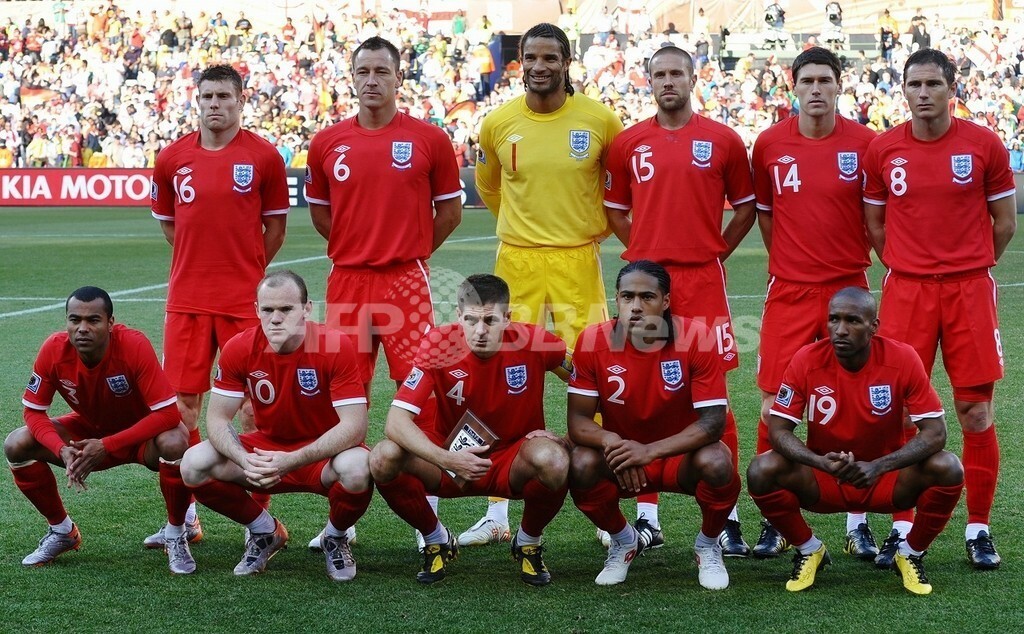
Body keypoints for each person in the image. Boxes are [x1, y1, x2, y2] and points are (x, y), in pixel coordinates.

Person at [305, 36, 462, 550]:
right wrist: (358, 248)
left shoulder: (428, 139)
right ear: (352, 78)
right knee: (342, 391)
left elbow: (450, 213)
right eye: (363, 71)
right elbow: (322, 214)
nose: (371, 79)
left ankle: (429, 512)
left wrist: (409, 250)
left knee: (420, 389)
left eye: (381, 71)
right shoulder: (327, 142)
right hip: (347, 280)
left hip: (404, 281)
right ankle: (339, 523)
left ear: (399, 78)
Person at [863, 48, 1017, 570]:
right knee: (900, 411)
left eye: (933, 83)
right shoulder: (884, 149)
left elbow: (1004, 222)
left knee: (974, 409)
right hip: (907, 291)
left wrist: (969, 268)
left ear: (952, 88)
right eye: (914, 84)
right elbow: (877, 226)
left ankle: (979, 529)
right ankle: (901, 529)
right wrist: (909, 268)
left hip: (968, 290)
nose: (923, 93)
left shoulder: (983, 144)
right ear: (902, 90)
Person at [472, 21, 622, 546]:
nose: (539, 66)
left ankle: (608, 505)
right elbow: (489, 187)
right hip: (517, 262)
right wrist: (526, 229)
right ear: (522, 63)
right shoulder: (497, 123)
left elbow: (617, 185)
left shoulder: (600, 119)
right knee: (500, 375)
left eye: (550, 58)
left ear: (566, 64)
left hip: (579, 260)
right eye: (530, 58)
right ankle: (495, 510)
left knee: (595, 371)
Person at [603, 45, 756, 557]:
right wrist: (645, 252)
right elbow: (616, 212)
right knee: (638, 394)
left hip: (702, 281)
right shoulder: (628, 143)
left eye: (677, 73)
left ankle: (726, 515)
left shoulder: (724, 140)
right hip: (644, 284)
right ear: (648, 81)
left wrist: (713, 251)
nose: (668, 81)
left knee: (717, 398)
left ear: (694, 78)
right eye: (660, 74)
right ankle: (647, 516)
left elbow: (745, 210)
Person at [751, 47, 885, 562]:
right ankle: (775, 516)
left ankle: (858, 518)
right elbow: (768, 216)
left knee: (860, 404)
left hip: (849, 285)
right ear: (793, 85)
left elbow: (877, 217)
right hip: (789, 290)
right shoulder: (768, 144)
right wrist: (793, 263)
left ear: (839, 85)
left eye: (824, 80)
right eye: (806, 80)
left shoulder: (866, 144)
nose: (815, 89)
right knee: (773, 406)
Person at [747, 287, 964, 595]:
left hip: (886, 480)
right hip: (825, 479)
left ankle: (910, 553)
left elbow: (937, 432)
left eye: (852, 321)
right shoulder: (807, 359)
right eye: (833, 319)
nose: (840, 330)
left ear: (873, 327)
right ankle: (810, 549)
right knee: (761, 469)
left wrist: (879, 466)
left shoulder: (902, 358)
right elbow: (778, 430)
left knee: (949, 467)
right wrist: (819, 461)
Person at [151, 64, 289, 546]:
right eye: (207, 96)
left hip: (242, 304)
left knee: (251, 410)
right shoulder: (171, 158)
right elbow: (170, 225)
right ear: (197, 99)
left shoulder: (265, 157)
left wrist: (244, 267)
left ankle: (258, 522)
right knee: (181, 409)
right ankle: (185, 517)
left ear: (241, 100)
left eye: (224, 96)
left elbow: (274, 229)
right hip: (187, 301)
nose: (215, 104)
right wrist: (201, 263)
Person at [369, 274, 571, 585]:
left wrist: (567, 439)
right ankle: (435, 538)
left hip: (514, 458)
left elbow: (589, 380)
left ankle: (528, 542)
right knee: (383, 457)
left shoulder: (535, 341)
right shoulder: (438, 345)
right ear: (459, 316)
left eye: (490, 320)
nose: (480, 331)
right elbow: (395, 423)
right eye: (471, 320)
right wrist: (446, 459)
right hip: (452, 457)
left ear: (507, 318)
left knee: (555, 460)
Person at [180, 271, 372, 579]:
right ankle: (265, 531)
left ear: (307, 309)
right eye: (267, 310)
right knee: (193, 463)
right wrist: (244, 459)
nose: (276, 319)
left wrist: (292, 460)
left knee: (359, 466)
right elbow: (216, 418)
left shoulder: (335, 345)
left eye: (286, 309)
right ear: (256, 310)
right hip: (265, 449)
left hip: (320, 454)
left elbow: (355, 427)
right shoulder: (239, 347)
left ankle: (334, 536)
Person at [567, 261, 740, 588]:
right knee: (581, 463)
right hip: (624, 459)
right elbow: (578, 422)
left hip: (679, 458)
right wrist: (615, 444)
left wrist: (648, 451)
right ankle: (623, 540)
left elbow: (714, 423)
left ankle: (707, 545)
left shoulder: (697, 337)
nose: (636, 306)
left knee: (718, 461)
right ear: (616, 299)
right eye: (627, 297)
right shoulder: (592, 340)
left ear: (666, 301)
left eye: (647, 297)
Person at [5, 287, 193, 574]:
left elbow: (168, 414)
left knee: (176, 440)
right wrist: (61, 449)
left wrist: (107, 444)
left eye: (93, 320)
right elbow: (33, 411)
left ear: (110, 323)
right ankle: (62, 531)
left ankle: (178, 531)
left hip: (140, 436)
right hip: (88, 433)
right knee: (16, 443)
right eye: (74, 319)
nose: (82, 328)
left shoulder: (133, 346)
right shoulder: (53, 350)